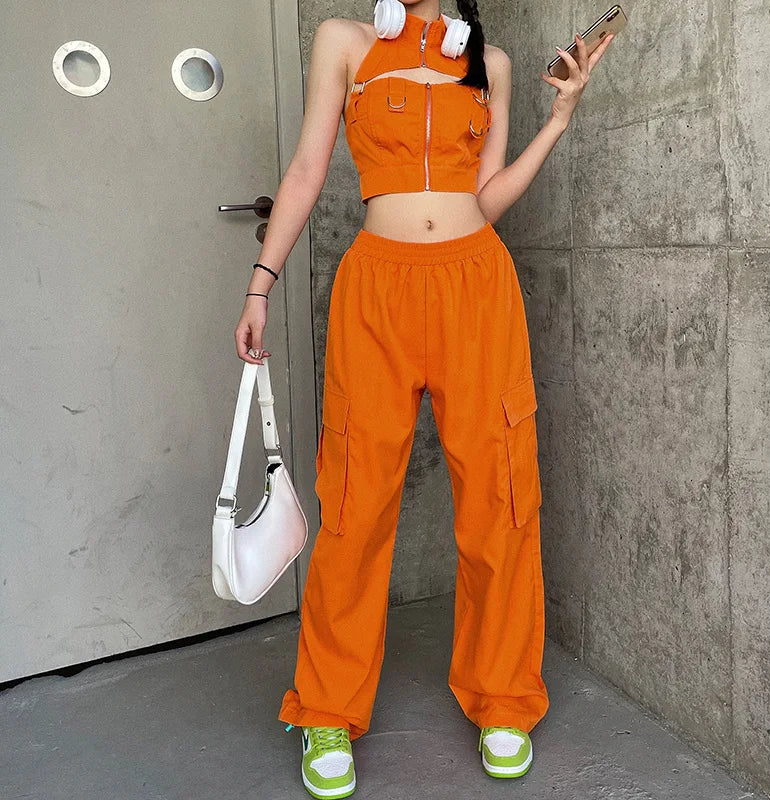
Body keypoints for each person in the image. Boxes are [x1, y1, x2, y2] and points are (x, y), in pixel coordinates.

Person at [235, 1, 613, 796]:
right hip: (377, 289)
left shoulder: (489, 62)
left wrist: (560, 117)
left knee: (501, 498)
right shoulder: (345, 41)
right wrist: (261, 284)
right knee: (354, 502)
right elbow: (306, 171)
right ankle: (327, 709)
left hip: (476, 285)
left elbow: (489, 196)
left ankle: (503, 700)